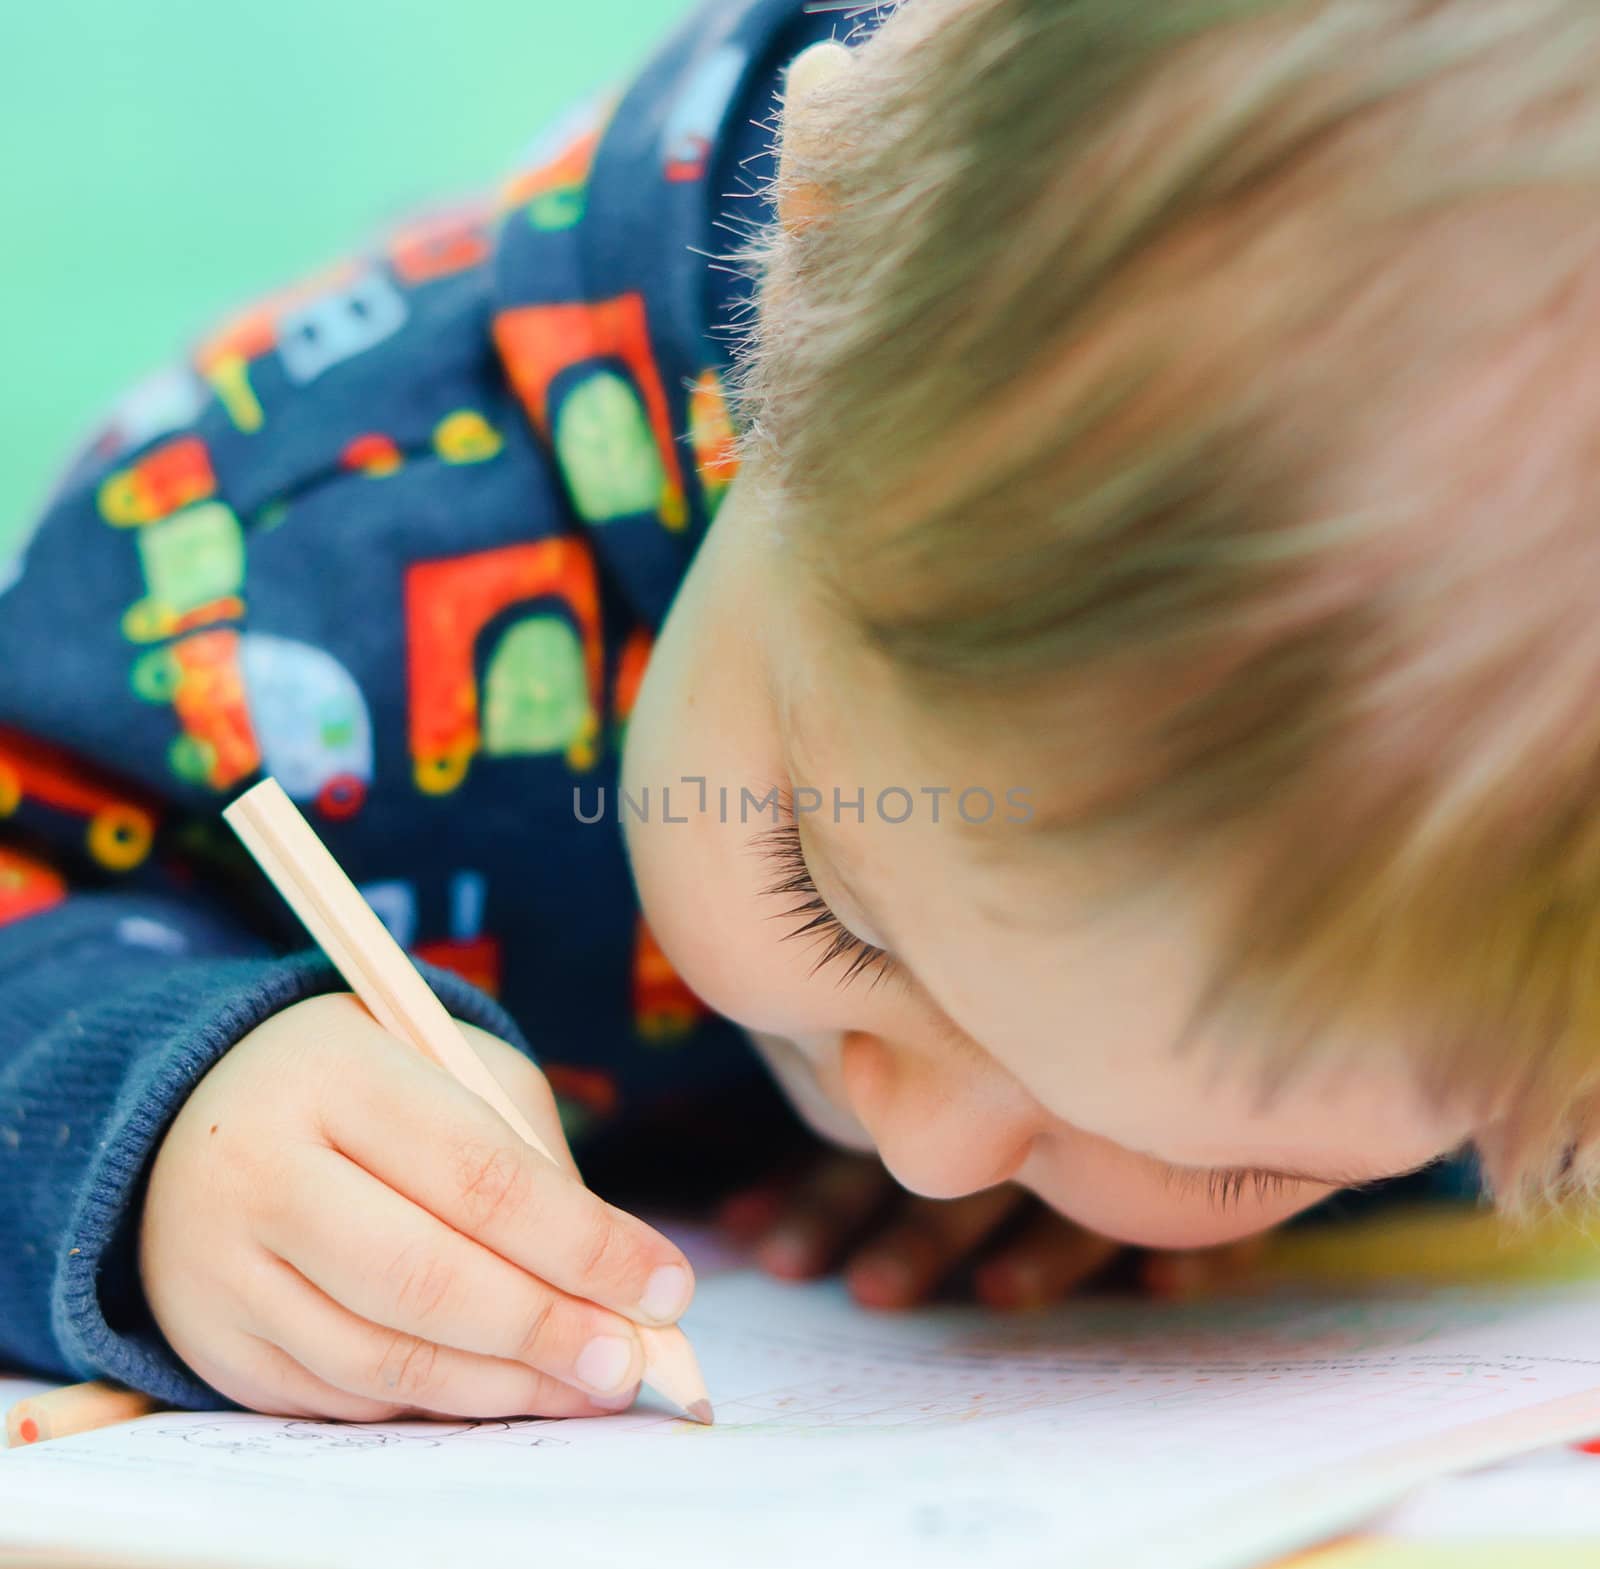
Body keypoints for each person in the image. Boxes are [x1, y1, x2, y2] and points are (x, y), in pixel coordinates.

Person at [1, 0, 1591, 1423]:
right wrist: (149, 1129)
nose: (929, 1149)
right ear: (809, 253)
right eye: (838, 911)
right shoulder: (303, 560)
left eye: (1229, 1153)